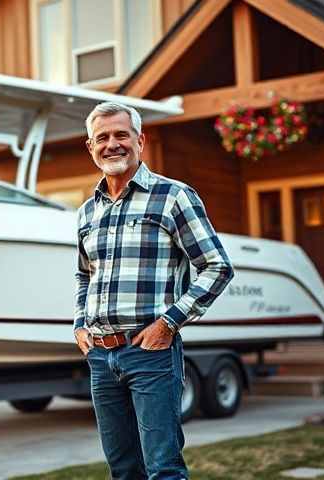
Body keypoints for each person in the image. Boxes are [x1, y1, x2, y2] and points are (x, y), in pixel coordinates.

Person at [74, 102, 234, 480]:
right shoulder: (87, 212)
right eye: (103, 137)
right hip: (100, 357)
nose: (112, 144)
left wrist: (169, 324)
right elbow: (84, 275)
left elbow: (217, 266)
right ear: (91, 147)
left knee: (163, 470)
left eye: (121, 135)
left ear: (140, 140)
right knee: (123, 469)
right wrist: (81, 324)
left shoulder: (174, 197)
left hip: (152, 354)